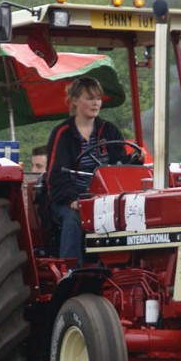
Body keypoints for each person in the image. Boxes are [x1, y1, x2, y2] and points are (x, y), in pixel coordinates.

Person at [45, 76, 138, 262]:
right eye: (89, 98)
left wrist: (135, 160)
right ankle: (70, 268)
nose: (95, 103)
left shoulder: (109, 130)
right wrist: (72, 199)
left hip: (104, 197)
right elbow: (55, 175)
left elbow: (120, 165)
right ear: (74, 101)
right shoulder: (63, 134)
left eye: (98, 98)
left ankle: (123, 266)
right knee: (73, 218)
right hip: (69, 199)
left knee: (131, 213)